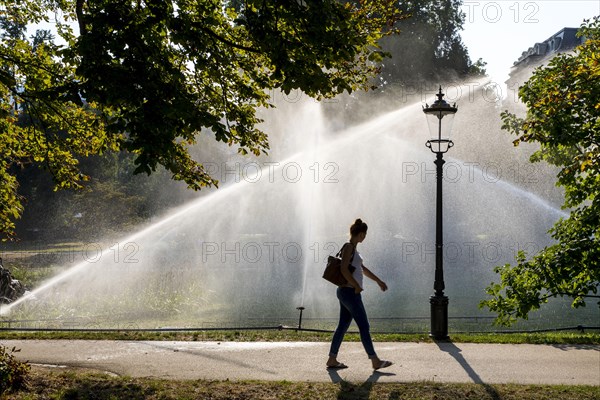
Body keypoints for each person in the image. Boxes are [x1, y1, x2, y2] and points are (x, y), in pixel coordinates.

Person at [326, 218, 393, 370]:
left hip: (346, 292)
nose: (365, 237)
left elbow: (363, 269)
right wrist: (356, 286)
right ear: (361, 234)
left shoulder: (353, 250)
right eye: (365, 234)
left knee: (342, 326)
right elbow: (343, 269)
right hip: (350, 292)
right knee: (364, 326)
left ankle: (332, 359)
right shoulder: (349, 247)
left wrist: (378, 281)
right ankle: (375, 360)